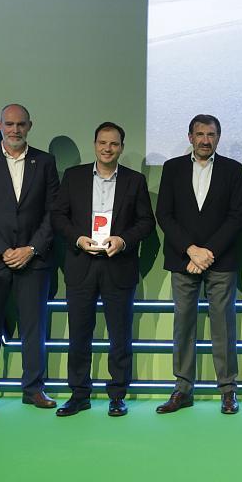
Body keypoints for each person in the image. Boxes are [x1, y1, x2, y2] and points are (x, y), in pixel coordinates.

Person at [51, 122, 155, 417]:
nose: (107, 148)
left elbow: (146, 222)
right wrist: (77, 238)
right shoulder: (74, 177)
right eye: (102, 143)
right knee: (79, 335)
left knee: (119, 335)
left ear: (121, 147)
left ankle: (118, 394)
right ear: (94, 144)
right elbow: (58, 215)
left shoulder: (134, 181)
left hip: (118, 266)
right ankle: (79, 394)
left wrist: (122, 240)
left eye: (114, 144)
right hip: (81, 265)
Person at [0, 103, 59, 418]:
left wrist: (30, 249)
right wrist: (3, 250)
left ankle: (33, 389)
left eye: (21, 124)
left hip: (33, 261)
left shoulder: (44, 162)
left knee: (35, 328)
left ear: (30, 126)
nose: (15, 130)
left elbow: (53, 212)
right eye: (9, 124)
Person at [154, 115, 242, 415]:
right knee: (183, 325)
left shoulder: (233, 169)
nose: (206, 140)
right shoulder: (172, 168)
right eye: (200, 134)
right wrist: (192, 251)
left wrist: (209, 253)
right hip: (183, 260)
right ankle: (182, 389)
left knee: (223, 325)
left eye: (211, 134)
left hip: (221, 262)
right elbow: (165, 214)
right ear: (190, 136)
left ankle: (228, 391)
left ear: (219, 137)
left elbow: (236, 217)